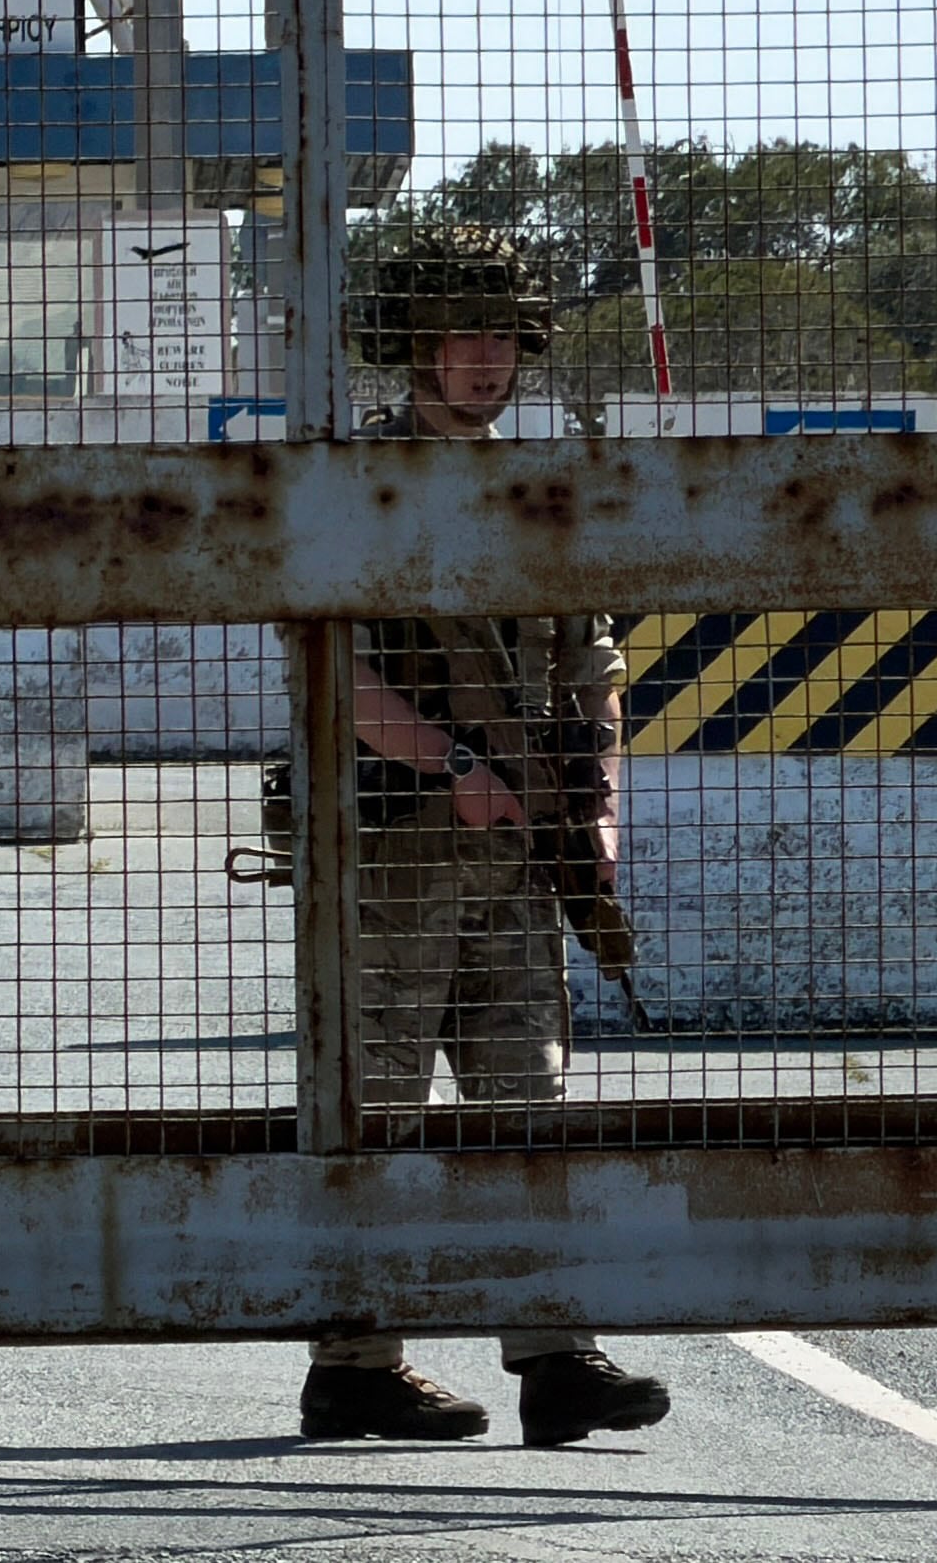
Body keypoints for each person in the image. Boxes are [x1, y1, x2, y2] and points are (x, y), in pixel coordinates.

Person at [298, 222, 673, 1449]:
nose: (481, 359)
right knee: (380, 1104)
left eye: (502, 335)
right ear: (408, 342)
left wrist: (597, 797)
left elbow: (594, 660)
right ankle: (354, 1364)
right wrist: (451, 763)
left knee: (531, 1102)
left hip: (520, 853)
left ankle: (556, 1356)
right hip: (395, 846)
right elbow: (331, 673)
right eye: (457, 335)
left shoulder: (540, 485)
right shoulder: (354, 483)